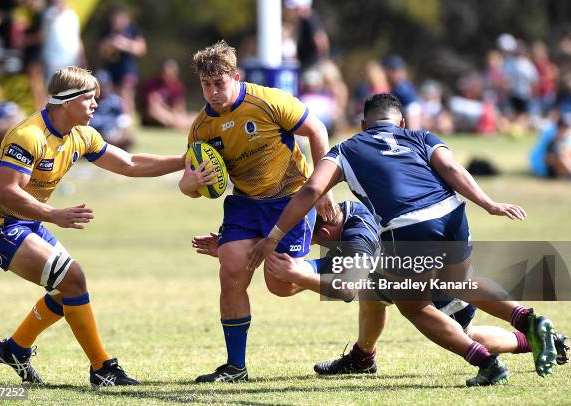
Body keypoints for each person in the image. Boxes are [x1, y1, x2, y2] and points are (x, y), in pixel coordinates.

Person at [247, 93, 559, 386]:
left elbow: (313, 190)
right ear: (402, 123)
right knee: (455, 283)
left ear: (363, 125)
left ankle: (487, 364)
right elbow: (451, 168)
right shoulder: (421, 137)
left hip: (407, 227)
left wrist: (274, 236)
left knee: (414, 307)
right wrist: (489, 203)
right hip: (452, 215)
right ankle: (526, 319)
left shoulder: (347, 148)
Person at [0, 66, 185, 388]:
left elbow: (129, 164)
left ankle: (14, 348)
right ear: (66, 101)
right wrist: (53, 214)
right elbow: (9, 193)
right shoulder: (28, 136)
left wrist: (185, 160)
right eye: (90, 98)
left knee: (67, 287)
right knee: (72, 279)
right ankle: (102, 368)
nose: (96, 105)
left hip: (27, 222)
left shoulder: (81, 135)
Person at [195, 201, 569, 374]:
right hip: (415, 267)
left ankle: (531, 338)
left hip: (433, 280)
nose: (297, 238)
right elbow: (293, 273)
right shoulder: (342, 221)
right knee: (373, 297)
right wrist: (236, 252)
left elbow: (340, 287)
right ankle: (363, 357)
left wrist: (298, 276)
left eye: (300, 233)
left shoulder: (356, 238)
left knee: (462, 327)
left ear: (322, 230)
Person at [178, 40, 336, 383]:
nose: (213, 92)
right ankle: (236, 366)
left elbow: (317, 130)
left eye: (219, 84)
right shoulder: (202, 128)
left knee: (279, 282)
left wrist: (323, 188)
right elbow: (189, 185)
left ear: (235, 76)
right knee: (231, 267)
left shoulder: (268, 101)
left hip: (290, 198)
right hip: (246, 203)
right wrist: (192, 184)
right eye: (206, 85)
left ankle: (330, 268)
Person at [98, 5, 146, 114]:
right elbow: (100, 50)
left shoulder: (132, 29)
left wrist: (125, 44)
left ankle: (127, 122)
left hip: (127, 69)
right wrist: (110, 44)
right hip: (110, 69)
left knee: (126, 96)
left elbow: (141, 48)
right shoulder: (107, 30)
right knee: (110, 97)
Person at [141, 59, 196, 129]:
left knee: (195, 116)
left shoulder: (177, 86)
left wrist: (175, 114)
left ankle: (177, 124)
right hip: (154, 116)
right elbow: (152, 105)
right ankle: (178, 124)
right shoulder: (153, 83)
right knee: (155, 110)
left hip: (172, 115)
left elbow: (179, 108)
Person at [90, 70, 134, 151]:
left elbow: (123, 119)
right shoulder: (89, 100)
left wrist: (122, 132)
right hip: (96, 132)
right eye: (100, 86)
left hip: (113, 131)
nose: (103, 88)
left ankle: (115, 144)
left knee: (127, 136)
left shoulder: (115, 100)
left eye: (105, 85)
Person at [41, 0, 84, 82]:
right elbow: (43, 34)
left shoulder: (72, 14)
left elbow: (77, 37)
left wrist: (81, 57)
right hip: (53, 61)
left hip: (71, 59)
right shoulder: (48, 13)